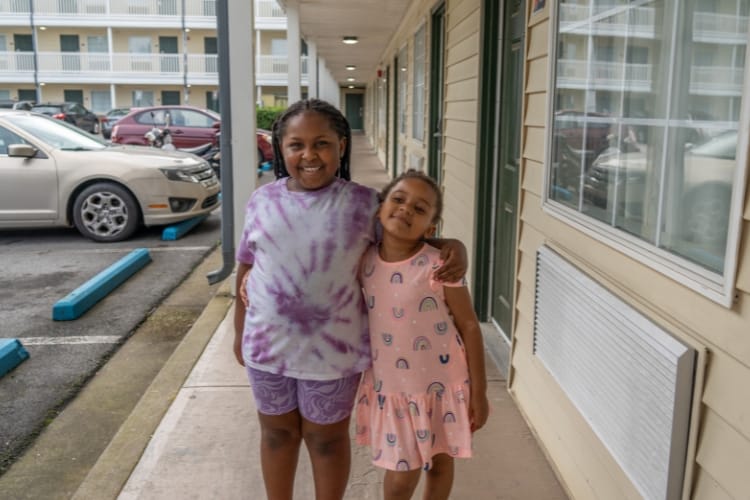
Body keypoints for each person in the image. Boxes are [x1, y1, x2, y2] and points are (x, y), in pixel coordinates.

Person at [233, 98, 467, 500]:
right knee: (276, 435)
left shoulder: (363, 204)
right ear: (280, 148)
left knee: (325, 439)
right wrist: (239, 334)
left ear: (341, 146)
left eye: (321, 143)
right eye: (296, 145)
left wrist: (453, 245)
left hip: (333, 355)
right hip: (266, 348)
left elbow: (405, 238)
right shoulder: (262, 201)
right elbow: (245, 265)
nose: (309, 155)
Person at [355, 169, 490, 500]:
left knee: (442, 463)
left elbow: (469, 327)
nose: (405, 209)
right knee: (401, 476)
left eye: (419, 209)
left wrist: (480, 392)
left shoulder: (439, 266)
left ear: (430, 228)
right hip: (394, 387)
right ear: (380, 207)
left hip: (443, 384)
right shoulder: (362, 261)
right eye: (399, 199)